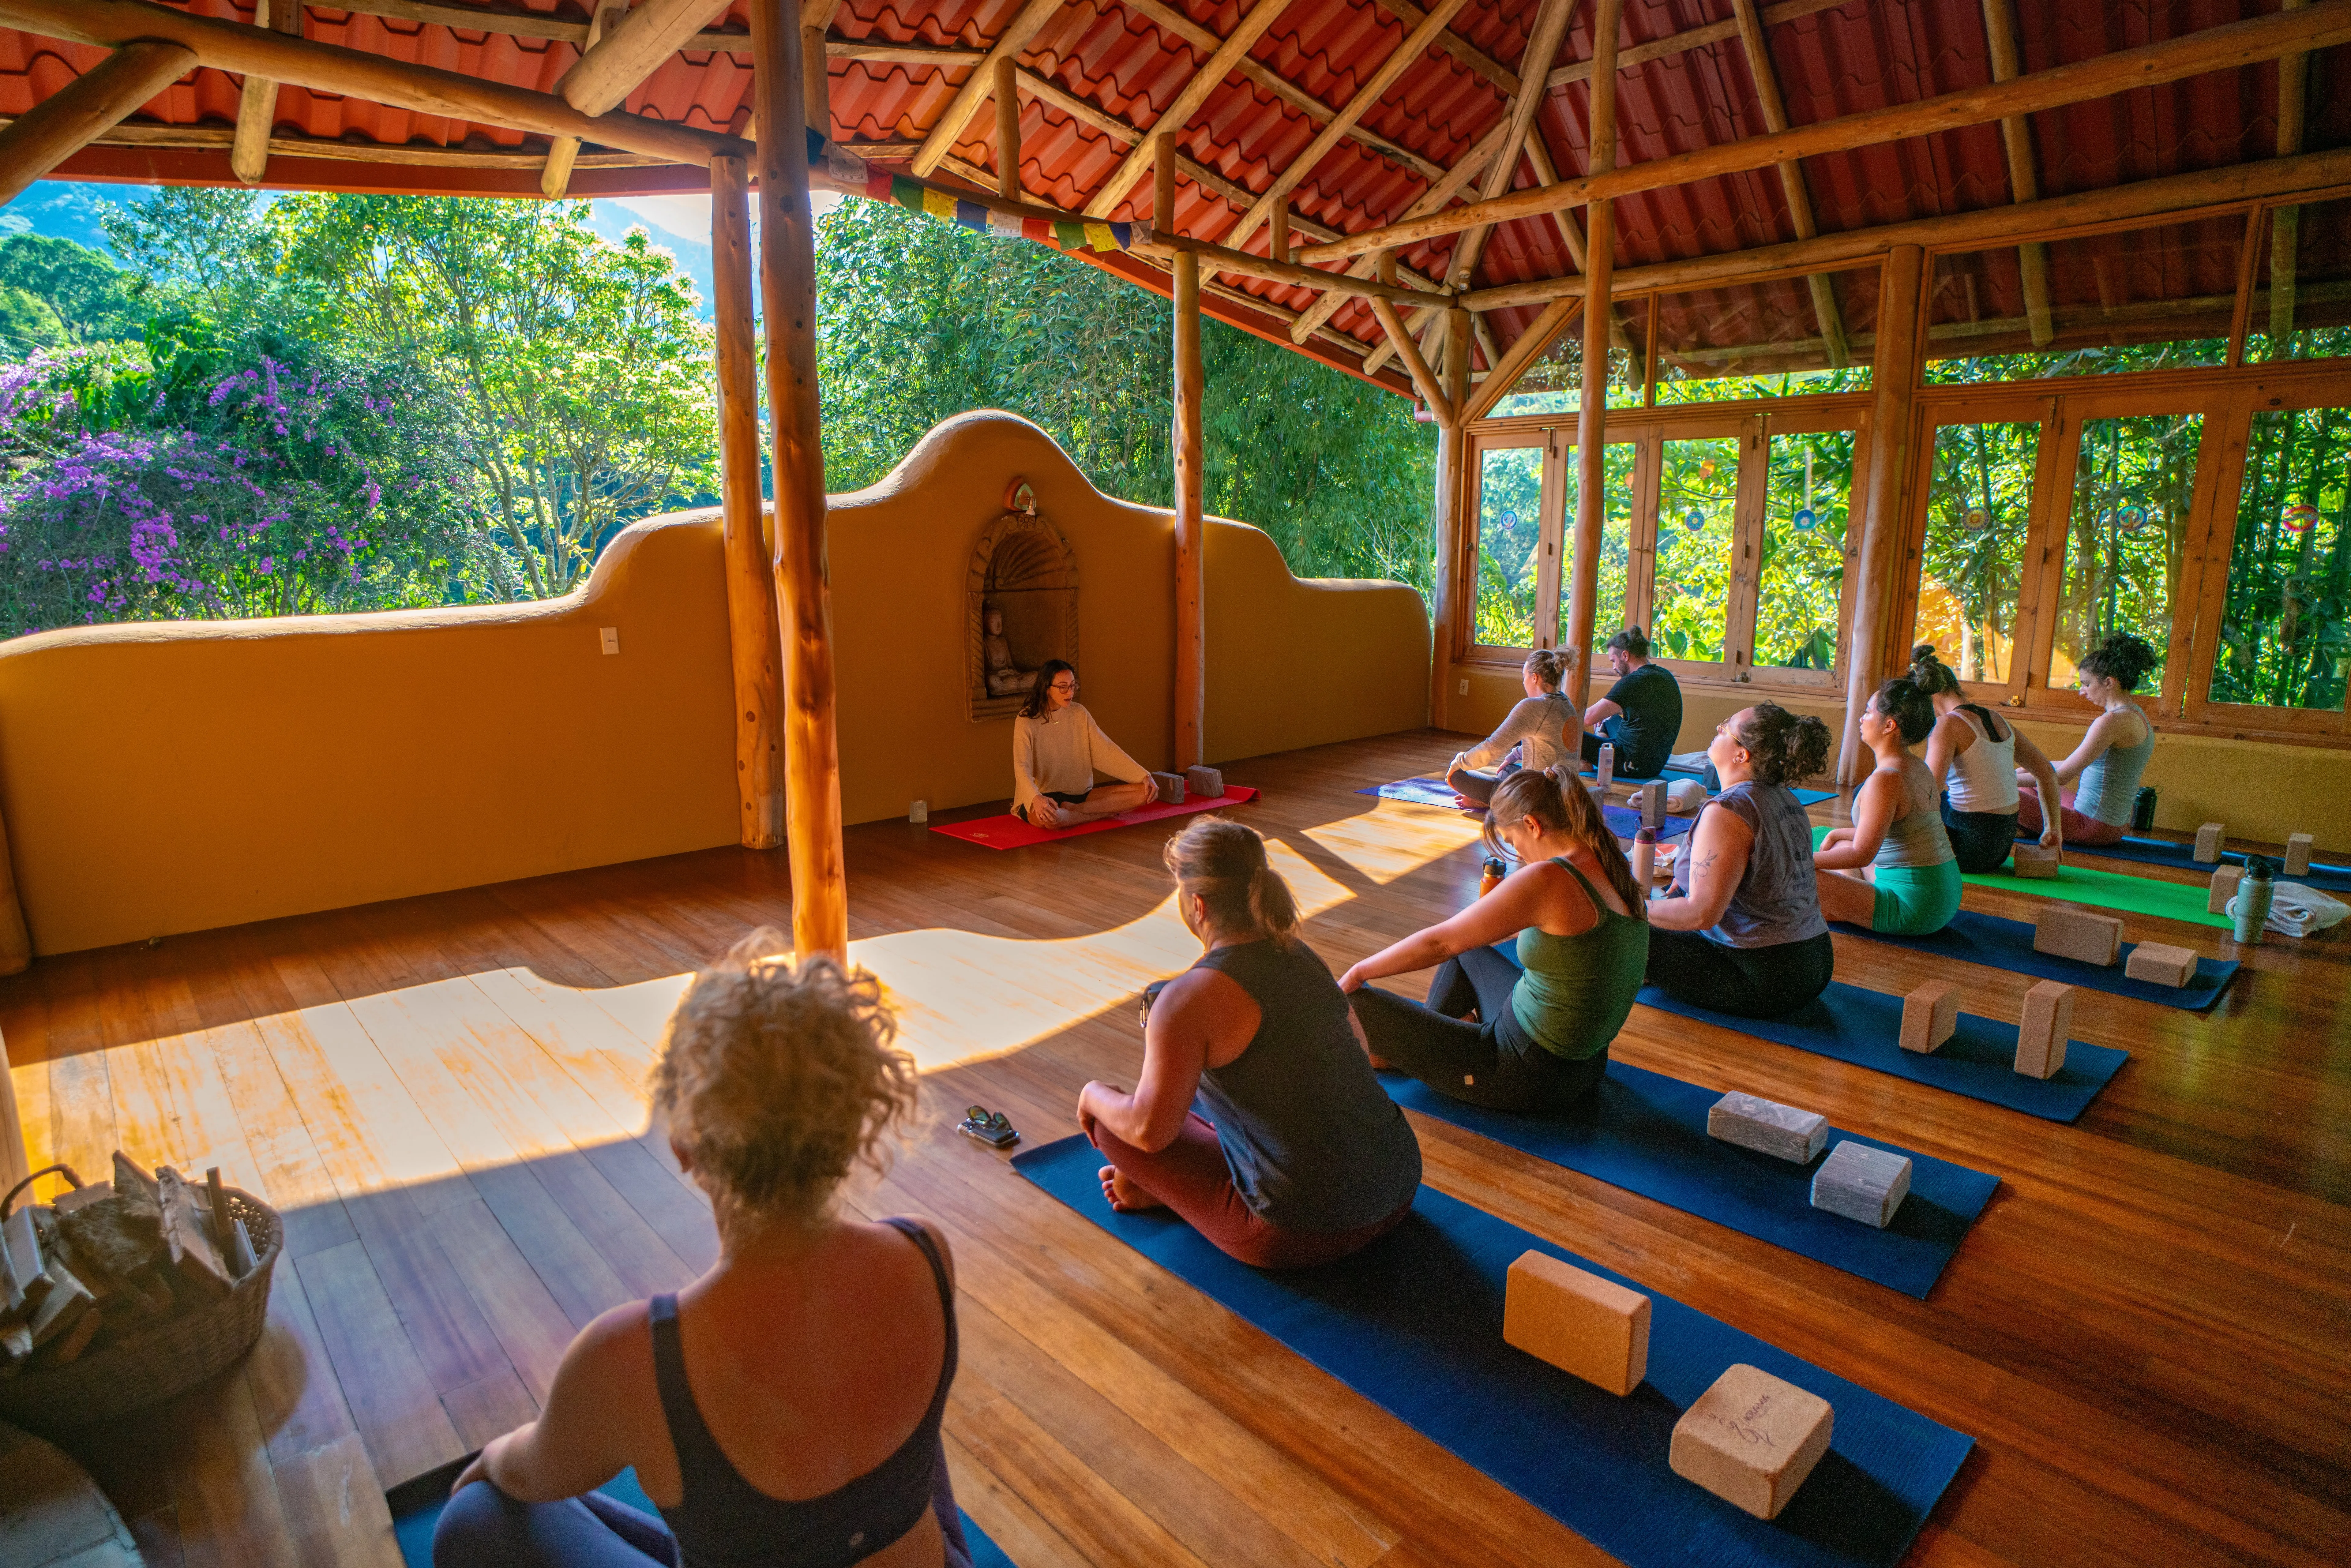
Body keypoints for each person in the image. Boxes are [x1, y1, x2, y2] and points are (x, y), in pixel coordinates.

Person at [434, 931, 974, 1568]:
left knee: (471, 1517)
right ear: (854, 1121)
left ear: (685, 1144)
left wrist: (487, 1463)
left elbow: (528, 1473)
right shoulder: (923, 1253)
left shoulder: (632, 1356)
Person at [1078, 817, 1421, 1269]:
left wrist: (1091, 1095)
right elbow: (1358, 1052)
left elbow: (1149, 1130)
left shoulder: (1184, 1000)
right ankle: (1157, 1187)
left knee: (1112, 1124)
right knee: (1202, 1105)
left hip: (1299, 1231)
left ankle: (1155, 1189)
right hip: (1398, 1184)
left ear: (1197, 904)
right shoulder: (1301, 954)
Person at [1341, 767, 1648, 1112]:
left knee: (1354, 1003)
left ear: (1533, 825)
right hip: (1583, 1066)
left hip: (1527, 1074)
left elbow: (1438, 943)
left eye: (1513, 841)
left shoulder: (1549, 877)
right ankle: (1427, 1050)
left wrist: (1356, 973)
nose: (1518, 854)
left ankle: (1421, 1055)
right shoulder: (1606, 859)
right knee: (1468, 953)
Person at [1645, 703, 1835, 1018]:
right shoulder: (1786, 798)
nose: (1717, 730)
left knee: (1614, 923)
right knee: (1661, 909)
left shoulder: (1729, 809)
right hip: (1813, 961)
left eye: (1725, 728)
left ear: (1741, 755)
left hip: (1762, 975)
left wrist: (1630, 908)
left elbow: (1701, 914)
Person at [1813, 678, 1963, 935]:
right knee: (1841, 846)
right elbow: (1895, 832)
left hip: (1914, 907)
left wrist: (1794, 862)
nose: (1862, 719)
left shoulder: (1886, 779)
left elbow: (1862, 856)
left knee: (1793, 874)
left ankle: (1839, 909)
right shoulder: (1916, 765)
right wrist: (1836, 832)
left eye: (1868, 712)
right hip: (1941, 898)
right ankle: (1842, 907)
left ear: (1889, 725)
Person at [1911, 644, 2064, 872]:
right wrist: (2053, 828)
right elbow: (2046, 771)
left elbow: (1930, 791)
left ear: (1927, 697)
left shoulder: (1947, 725)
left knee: (1871, 791)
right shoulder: (1997, 719)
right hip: (1999, 849)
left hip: (1966, 850)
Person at [2015, 631, 2161, 849]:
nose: (2082, 692)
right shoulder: (2135, 714)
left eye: (2086, 684)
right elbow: (2068, 766)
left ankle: (2023, 827)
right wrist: (2023, 770)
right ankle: (2025, 827)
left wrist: (1997, 779)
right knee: (2025, 781)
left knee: (1997, 790)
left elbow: (2062, 776)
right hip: (2109, 825)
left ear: (2109, 683)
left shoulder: (2112, 721)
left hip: (2092, 826)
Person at [1012, 659, 1156, 828]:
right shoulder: (1026, 721)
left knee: (1146, 793)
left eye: (1073, 686)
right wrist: (1036, 798)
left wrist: (1144, 776)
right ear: (1047, 689)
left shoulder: (1080, 713)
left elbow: (1106, 751)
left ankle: (1078, 810)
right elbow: (1022, 767)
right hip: (1042, 797)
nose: (1070, 693)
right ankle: (1093, 815)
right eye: (1063, 687)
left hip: (1081, 796)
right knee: (1051, 820)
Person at [1445, 648, 1579, 807]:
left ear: (1535, 678)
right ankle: (1498, 800)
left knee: (1459, 777)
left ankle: (1496, 803)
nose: (1523, 682)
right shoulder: (1566, 703)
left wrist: (1459, 763)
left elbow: (1492, 748)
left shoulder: (1533, 707)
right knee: (1507, 770)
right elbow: (1554, 745)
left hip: (1541, 798)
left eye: (1524, 676)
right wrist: (1515, 755)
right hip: (1566, 792)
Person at [1581, 627, 1683, 780]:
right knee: (1610, 720)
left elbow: (1587, 718)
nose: (1614, 667)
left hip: (1632, 764)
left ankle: (1585, 762)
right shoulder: (1664, 675)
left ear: (1625, 656)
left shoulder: (1633, 681)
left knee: (1572, 736)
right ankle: (1597, 747)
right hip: (1656, 764)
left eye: (1614, 661)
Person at [980, 603, 1037, 696]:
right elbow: (985, 670)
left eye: (1000, 621)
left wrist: (1012, 671)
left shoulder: (1003, 641)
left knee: (1035, 676)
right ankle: (1013, 685)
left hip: (1010, 677)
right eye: (993, 622)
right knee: (991, 681)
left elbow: (1010, 665)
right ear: (984, 623)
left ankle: (1013, 685)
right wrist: (998, 673)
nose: (998, 626)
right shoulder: (984, 643)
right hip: (998, 677)